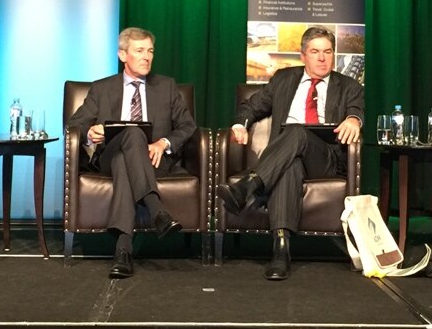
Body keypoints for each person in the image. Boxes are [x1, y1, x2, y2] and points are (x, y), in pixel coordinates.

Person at [218, 26, 364, 281]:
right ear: (303, 55)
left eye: (328, 52)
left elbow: (356, 110)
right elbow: (251, 107)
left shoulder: (348, 85)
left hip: (326, 158)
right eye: (315, 52)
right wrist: (240, 124)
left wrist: (353, 119)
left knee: (296, 131)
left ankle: (249, 185)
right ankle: (281, 251)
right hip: (286, 157)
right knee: (290, 166)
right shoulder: (283, 79)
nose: (322, 58)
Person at [67, 27, 196, 278]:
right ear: (122, 55)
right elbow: (75, 124)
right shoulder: (102, 88)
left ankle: (123, 250)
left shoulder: (167, 86)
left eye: (150, 51)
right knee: (133, 132)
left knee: (125, 161)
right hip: (107, 155)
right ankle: (156, 209)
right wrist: (90, 133)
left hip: (153, 159)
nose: (147, 57)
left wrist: (163, 143)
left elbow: (188, 126)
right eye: (139, 51)